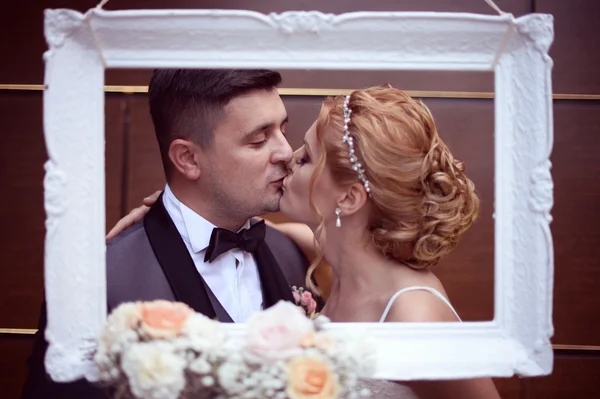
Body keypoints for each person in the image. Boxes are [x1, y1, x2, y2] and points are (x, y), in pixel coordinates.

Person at [117, 86, 501, 398]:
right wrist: (170, 217)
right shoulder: (308, 247)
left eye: (305, 158)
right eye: (264, 138)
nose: (287, 156)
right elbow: (232, 235)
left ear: (349, 198)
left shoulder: (415, 314)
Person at [21, 69, 315, 398]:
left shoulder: (296, 253)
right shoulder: (97, 284)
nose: (285, 152)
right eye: (259, 140)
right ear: (187, 158)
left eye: (283, 130)